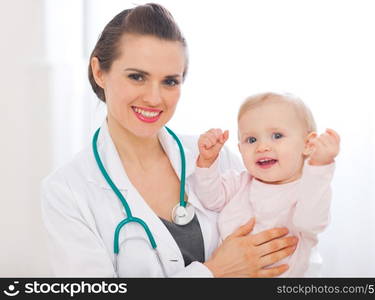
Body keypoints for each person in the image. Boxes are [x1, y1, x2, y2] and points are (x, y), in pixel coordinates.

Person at [41, 3, 298, 277]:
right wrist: (214, 272)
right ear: (99, 72)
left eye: (170, 82)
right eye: (137, 77)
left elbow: (285, 255)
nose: (154, 98)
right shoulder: (67, 191)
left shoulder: (217, 160)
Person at [193, 92, 340, 277]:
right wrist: (207, 162)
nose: (262, 147)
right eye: (251, 140)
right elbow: (210, 199)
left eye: (277, 135)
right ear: (240, 149)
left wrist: (319, 167)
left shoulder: (309, 191)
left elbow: (312, 222)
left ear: (308, 144)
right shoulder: (240, 182)